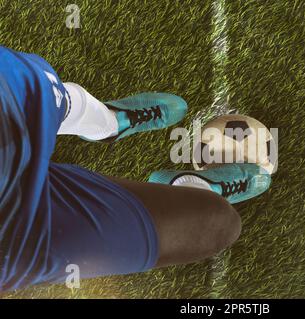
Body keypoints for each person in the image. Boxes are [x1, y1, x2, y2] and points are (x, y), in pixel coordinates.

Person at [0, 46, 271, 291]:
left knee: (44, 89)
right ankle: (189, 184)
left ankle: (108, 123)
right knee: (218, 222)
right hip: (14, 231)